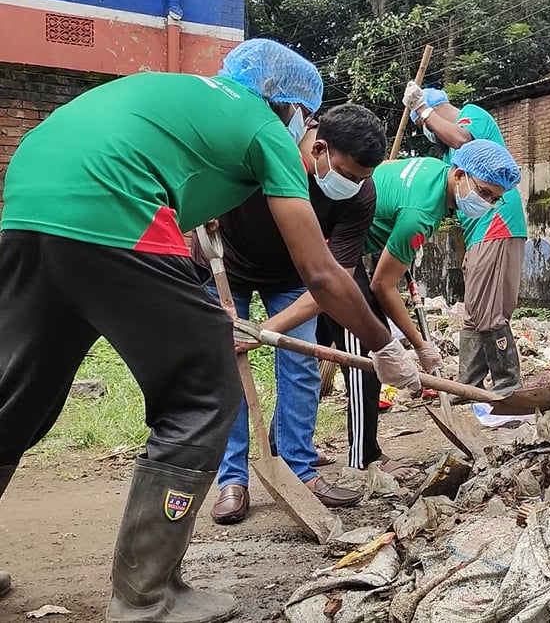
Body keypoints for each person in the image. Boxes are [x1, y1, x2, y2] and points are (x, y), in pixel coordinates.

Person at [0, 39, 418, 621]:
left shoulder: (182, 91)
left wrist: (191, 310)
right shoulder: (264, 128)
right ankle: (147, 597)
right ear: (292, 108)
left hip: (26, 201)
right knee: (203, 394)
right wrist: (384, 344)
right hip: (113, 207)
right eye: (304, 117)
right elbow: (320, 273)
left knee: (17, 393)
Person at [191, 103, 389, 526]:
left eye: (362, 179)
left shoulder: (360, 195)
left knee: (300, 361)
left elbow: (333, 281)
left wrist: (262, 331)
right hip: (227, 265)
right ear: (318, 148)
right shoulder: (263, 148)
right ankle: (233, 479)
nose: (354, 185)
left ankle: (299, 470)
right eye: (348, 173)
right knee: (227, 366)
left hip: (299, 278)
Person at [320, 138, 521, 470]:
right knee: (368, 352)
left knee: (305, 358)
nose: (486, 203)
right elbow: (382, 285)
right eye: (484, 192)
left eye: (494, 199)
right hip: (335, 257)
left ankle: (281, 445)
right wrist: (420, 346)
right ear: (459, 175)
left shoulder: (431, 168)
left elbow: (385, 188)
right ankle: (365, 456)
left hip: (339, 244)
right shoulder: (421, 213)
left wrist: (388, 238)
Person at [403, 83, 527, 395]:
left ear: (437, 110)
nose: (428, 132)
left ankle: (507, 386)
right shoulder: (448, 155)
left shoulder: (473, 116)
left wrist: (422, 110)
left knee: (490, 311)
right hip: (477, 232)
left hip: (497, 224)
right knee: (473, 312)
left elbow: (459, 137)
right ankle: (468, 387)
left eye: (426, 126)